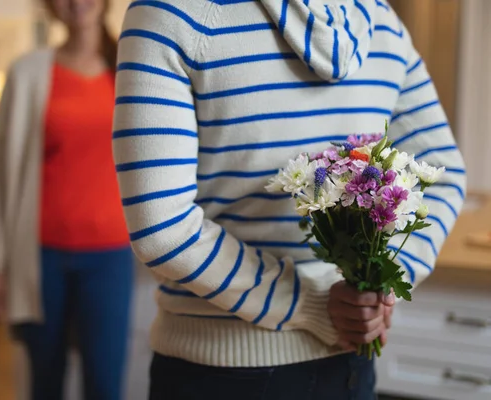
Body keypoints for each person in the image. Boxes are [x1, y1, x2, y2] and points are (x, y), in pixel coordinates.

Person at [112, 0, 465, 399]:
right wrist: (370, 292)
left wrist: (354, 295)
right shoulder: (379, 21)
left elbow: (162, 228)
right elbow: (444, 173)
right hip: (348, 365)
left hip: (218, 372)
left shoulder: (173, 12)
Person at [0, 0, 133, 399]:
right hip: (41, 256)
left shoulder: (131, 70)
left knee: (104, 384)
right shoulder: (28, 73)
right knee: (45, 382)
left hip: (111, 256)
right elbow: (1, 175)